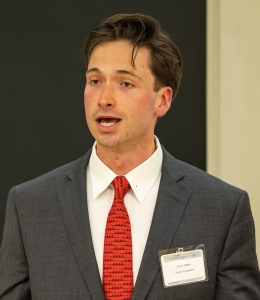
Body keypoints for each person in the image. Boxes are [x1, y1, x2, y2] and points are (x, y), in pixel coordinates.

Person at [0, 13, 259, 300]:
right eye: (95, 80)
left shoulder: (223, 209)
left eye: (125, 83)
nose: (104, 98)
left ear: (162, 100)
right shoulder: (29, 207)